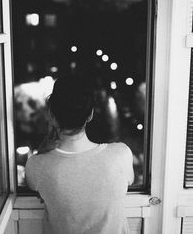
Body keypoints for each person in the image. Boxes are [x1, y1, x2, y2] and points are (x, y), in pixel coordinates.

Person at [25, 74, 134, 234]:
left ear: (52, 117)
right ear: (90, 115)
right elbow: (129, 180)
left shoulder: (36, 165)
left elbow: (33, 185)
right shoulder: (121, 154)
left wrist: (46, 144)